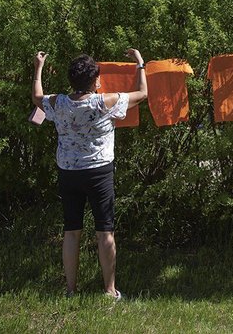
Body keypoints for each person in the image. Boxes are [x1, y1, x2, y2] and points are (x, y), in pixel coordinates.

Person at [31, 48, 147, 299]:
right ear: (95, 82)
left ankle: (71, 290)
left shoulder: (58, 102)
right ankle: (109, 290)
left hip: (69, 172)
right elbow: (143, 94)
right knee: (105, 231)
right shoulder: (106, 101)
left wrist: (38, 67)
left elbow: (37, 97)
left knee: (71, 230)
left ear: (71, 81)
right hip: (99, 173)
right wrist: (140, 64)